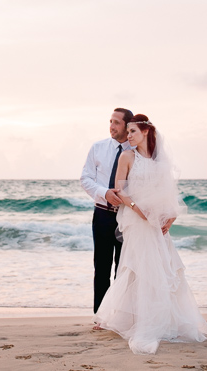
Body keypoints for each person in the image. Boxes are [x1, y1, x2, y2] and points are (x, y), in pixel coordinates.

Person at [92, 114, 207, 354]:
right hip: (137, 221)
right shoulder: (127, 156)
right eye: (127, 133)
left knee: (162, 267)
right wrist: (139, 210)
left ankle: (164, 319)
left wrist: (170, 218)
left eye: (133, 132)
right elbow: (120, 191)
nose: (129, 137)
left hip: (157, 222)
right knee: (138, 267)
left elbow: (170, 193)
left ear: (145, 132)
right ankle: (134, 320)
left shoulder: (159, 162)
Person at [80, 107, 134, 314]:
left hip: (126, 216)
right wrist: (104, 192)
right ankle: (101, 316)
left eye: (116, 123)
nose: (111, 126)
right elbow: (85, 178)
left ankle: (121, 315)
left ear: (127, 126)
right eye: (110, 121)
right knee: (101, 268)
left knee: (124, 268)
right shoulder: (98, 147)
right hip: (102, 214)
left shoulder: (136, 153)